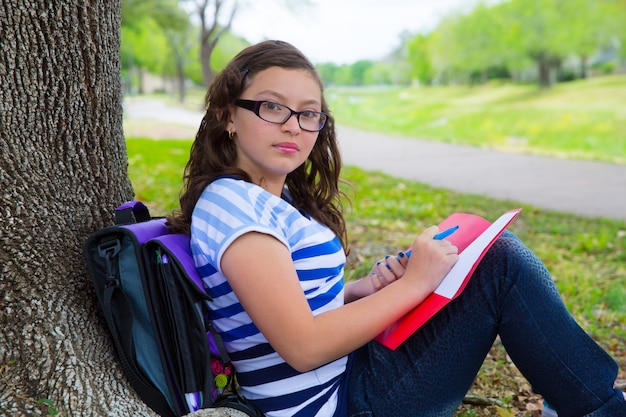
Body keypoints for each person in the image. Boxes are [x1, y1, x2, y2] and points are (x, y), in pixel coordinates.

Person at [167, 40, 626, 417]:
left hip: (347, 378)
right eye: (273, 107)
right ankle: (601, 409)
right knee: (500, 263)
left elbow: (277, 307)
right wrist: (416, 284)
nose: (294, 126)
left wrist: (360, 290)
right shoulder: (235, 204)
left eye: (308, 113)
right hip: (334, 405)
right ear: (229, 115)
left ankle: (586, 401)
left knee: (486, 259)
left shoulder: (269, 199)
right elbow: (302, 347)